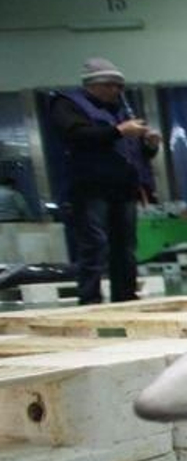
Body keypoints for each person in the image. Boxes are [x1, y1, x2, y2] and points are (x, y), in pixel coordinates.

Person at [49, 57, 160, 303]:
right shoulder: (67, 105)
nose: (116, 91)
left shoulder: (121, 110)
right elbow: (76, 135)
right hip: (90, 190)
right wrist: (118, 131)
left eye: (119, 86)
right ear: (92, 85)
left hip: (123, 190)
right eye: (109, 85)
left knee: (125, 249)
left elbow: (134, 152)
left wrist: (149, 147)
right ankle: (89, 301)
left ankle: (125, 298)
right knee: (95, 247)